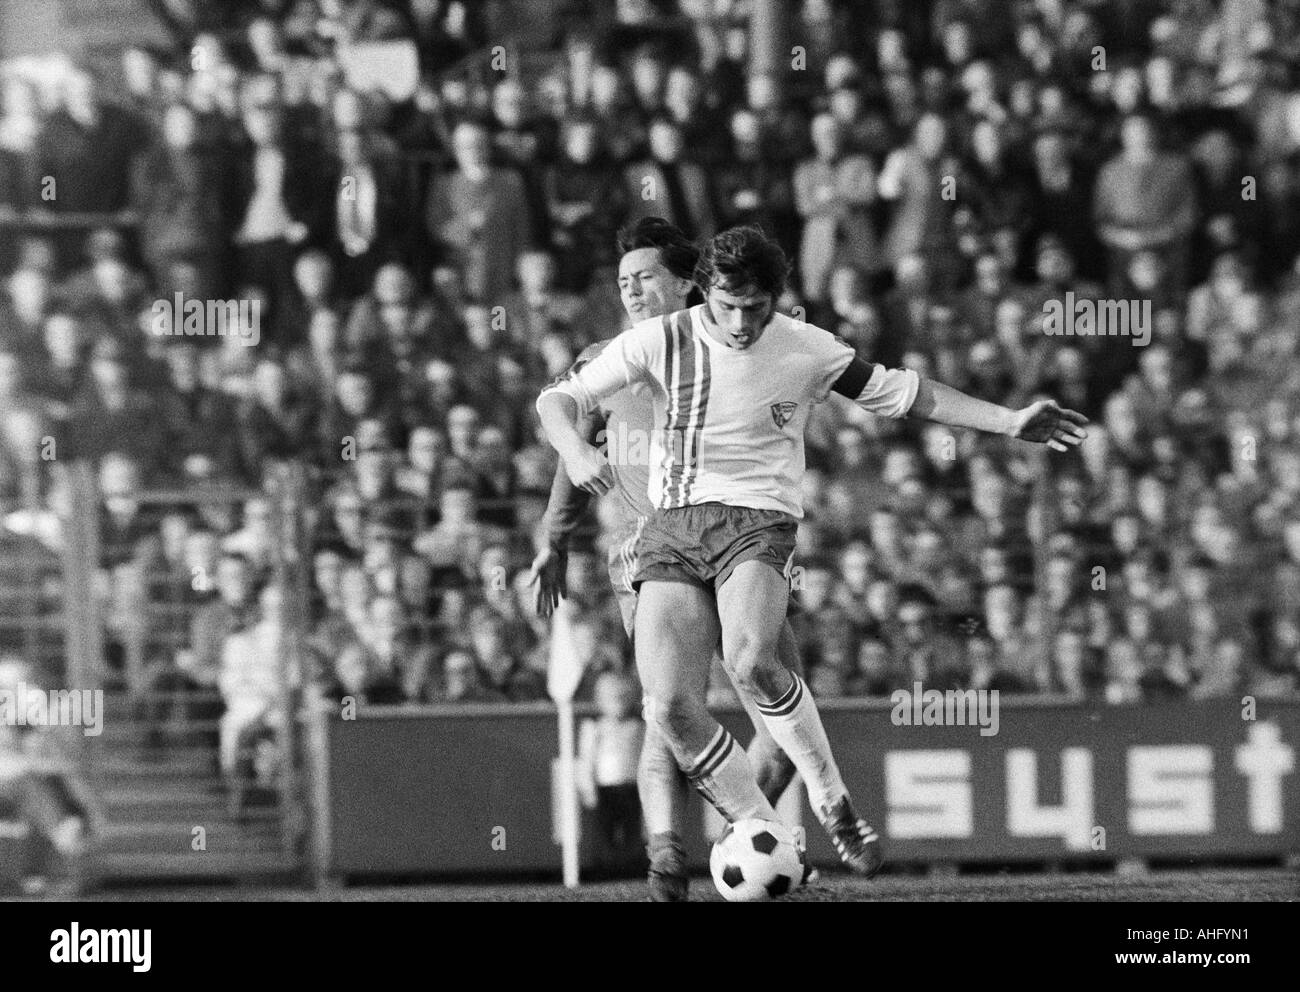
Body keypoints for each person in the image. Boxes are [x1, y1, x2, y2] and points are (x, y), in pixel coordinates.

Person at [537, 225, 1087, 897]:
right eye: (729, 305)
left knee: (751, 661)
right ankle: (769, 836)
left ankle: (832, 801)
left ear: (776, 298)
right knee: (670, 708)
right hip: (670, 529)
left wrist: (1008, 421)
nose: (742, 322)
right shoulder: (660, 340)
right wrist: (574, 448)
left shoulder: (806, 348)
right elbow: (558, 400)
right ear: (705, 290)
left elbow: (911, 394)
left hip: (755, 523)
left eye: (757, 307)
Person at [528, 218, 809, 901]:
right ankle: (665, 862)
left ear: (688, 283)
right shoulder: (609, 357)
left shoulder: (736, 350)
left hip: (738, 542)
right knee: (669, 705)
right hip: (651, 558)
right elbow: (571, 447)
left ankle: (735, 844)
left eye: (644, 276)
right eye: (623, 281)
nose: (630, 290)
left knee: (786, 712)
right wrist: (554, 538)